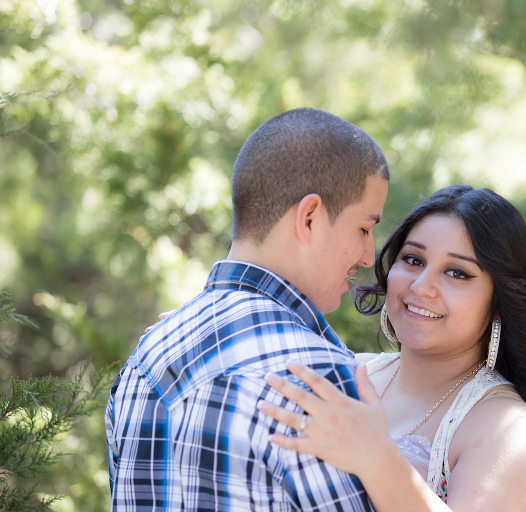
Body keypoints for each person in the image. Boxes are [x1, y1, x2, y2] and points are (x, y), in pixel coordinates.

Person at [104, 108, 390, 511]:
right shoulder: (317, 384)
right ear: (309, 218)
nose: (367, 255)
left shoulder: (146, 357)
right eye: (363, 228)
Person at [256, 185, 526, 512]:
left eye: (457, 273)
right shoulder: (345, 371)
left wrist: (377, 459)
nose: (421, 286)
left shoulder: (510, 429)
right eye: (413, 259)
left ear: (498, 303)